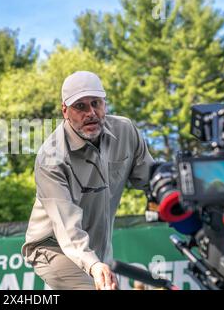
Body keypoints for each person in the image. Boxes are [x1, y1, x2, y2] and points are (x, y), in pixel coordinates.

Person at [21, 71, 155, 290]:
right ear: (65, 111)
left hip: (97, 251)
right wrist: (93, 265)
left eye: (96, 103)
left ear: (105, 104)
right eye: (80, 107)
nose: (91, 113)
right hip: (52, 248)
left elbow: (153, 180)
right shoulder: (50, 158)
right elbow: (67, 228)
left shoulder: (126, 132)